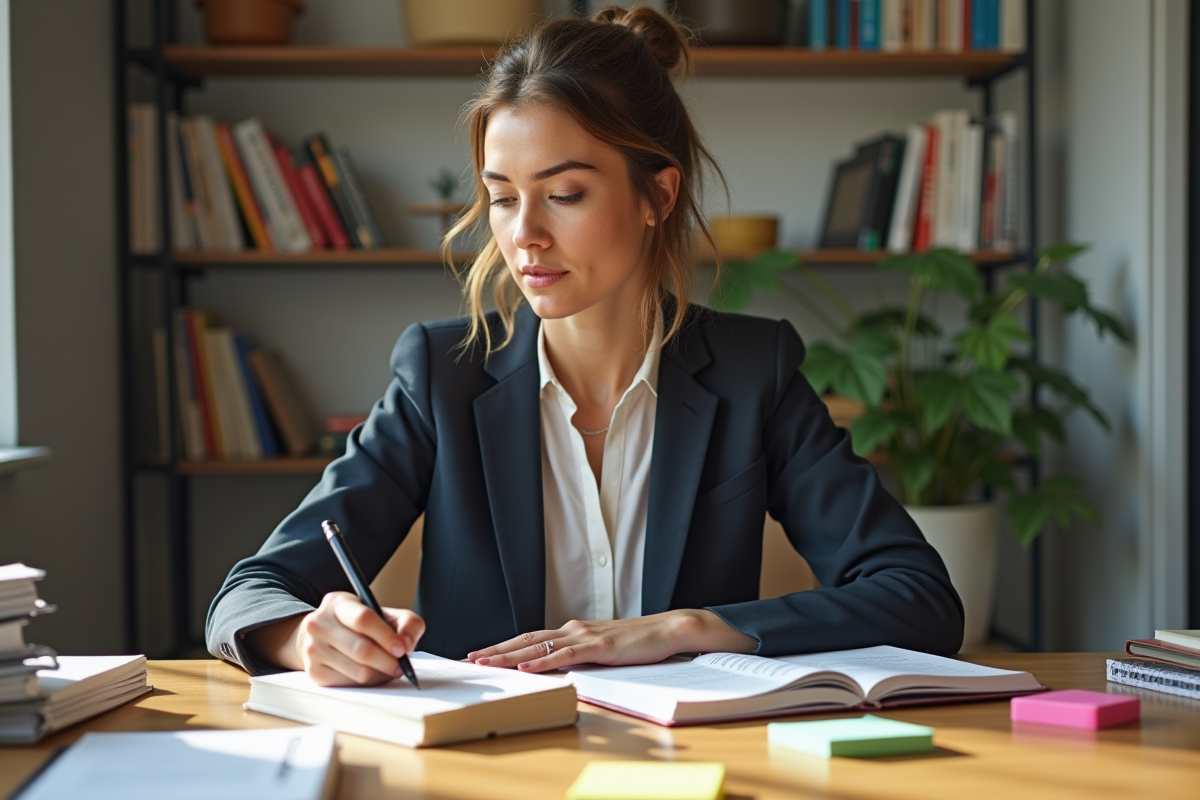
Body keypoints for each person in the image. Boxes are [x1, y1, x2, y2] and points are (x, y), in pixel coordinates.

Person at [206, 6, 963, 687]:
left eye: (564, 194)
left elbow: (918, 595)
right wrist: (306, 635)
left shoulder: (750, 372)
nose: (524, 234)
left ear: (657, 197)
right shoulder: (441, 376)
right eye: (502, 198)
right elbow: (248, 593)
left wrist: (687, 629)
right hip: (491, 767)